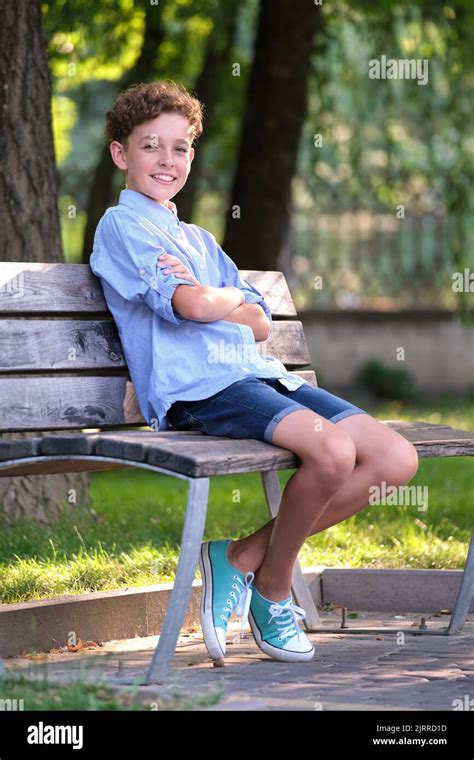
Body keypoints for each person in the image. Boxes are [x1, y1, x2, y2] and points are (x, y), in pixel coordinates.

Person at [90, 80, 419, 664]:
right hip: (201, 390)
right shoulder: (122, 228)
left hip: (259, 376)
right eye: (151, 146)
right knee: (336, 454)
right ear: (120, 154)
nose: (168, 161)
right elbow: (189, 307)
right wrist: (221, 302)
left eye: (181, 148)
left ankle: (237, 558)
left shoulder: (197, 239)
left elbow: (259, 322)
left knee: (395, 461)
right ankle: (271, 590)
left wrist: (213, 295)